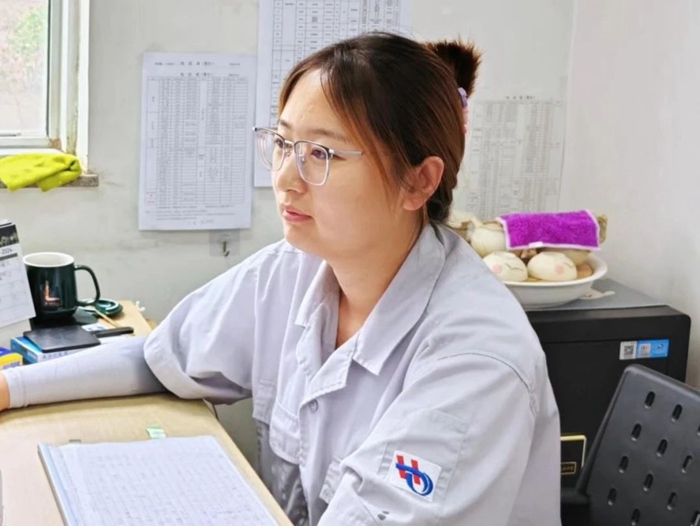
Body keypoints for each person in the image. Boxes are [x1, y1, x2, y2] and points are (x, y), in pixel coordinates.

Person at [0, 32, 561, 525]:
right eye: (284, 144)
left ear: (418, 182)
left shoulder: (476, 360)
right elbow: (163, 357)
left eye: (322, 153)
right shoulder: (297, 269)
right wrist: (13, 388)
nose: (286, 179)